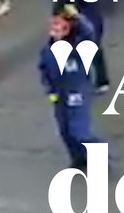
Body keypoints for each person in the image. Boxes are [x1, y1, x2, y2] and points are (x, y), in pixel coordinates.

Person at [38, 14, 102, 170]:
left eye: (59, 26)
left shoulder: (78, 46)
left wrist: (77, 18)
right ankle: (79, 158)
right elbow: (44, 71)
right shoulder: (47, 50)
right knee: (65, 131)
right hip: (60, 94)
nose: (54, 29)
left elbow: (89, 33)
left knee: (79, 131)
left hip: (77, 91)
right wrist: (50, 90)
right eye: (53, 26)